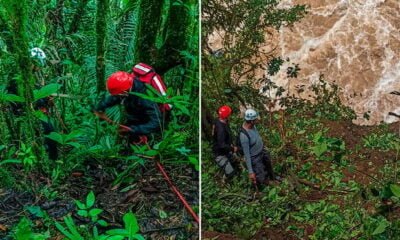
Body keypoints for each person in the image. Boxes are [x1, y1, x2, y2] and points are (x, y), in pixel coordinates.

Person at [94, 71, 162, 144]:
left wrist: (135, 130)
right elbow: (114, 98)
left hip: (145, 126)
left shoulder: (144, 97)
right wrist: (100, 107)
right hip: (134, 121)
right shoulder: (126, 87)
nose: (118, 96)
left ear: (125, 92)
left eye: (120, 94)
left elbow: (157, 121)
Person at [239, 109, 276, 188]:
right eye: (255, 119)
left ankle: (273, 178)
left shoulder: (253, 126)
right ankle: (268, 185)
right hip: (255, 157)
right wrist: (250, 172)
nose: (257, 120)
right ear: (251, 121)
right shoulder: (244, 136)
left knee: (268, 165)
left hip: (262, 151)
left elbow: (257, 136)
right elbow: (247, 155)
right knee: (261, 175)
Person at [212, 105, 237, 178]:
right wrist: (232, 149)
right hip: (220, 154)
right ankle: (224, 178)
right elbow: (221, 145)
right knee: (231, 174)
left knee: (236, 162)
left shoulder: (219, 120)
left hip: (227, 150)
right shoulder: (221, 130)